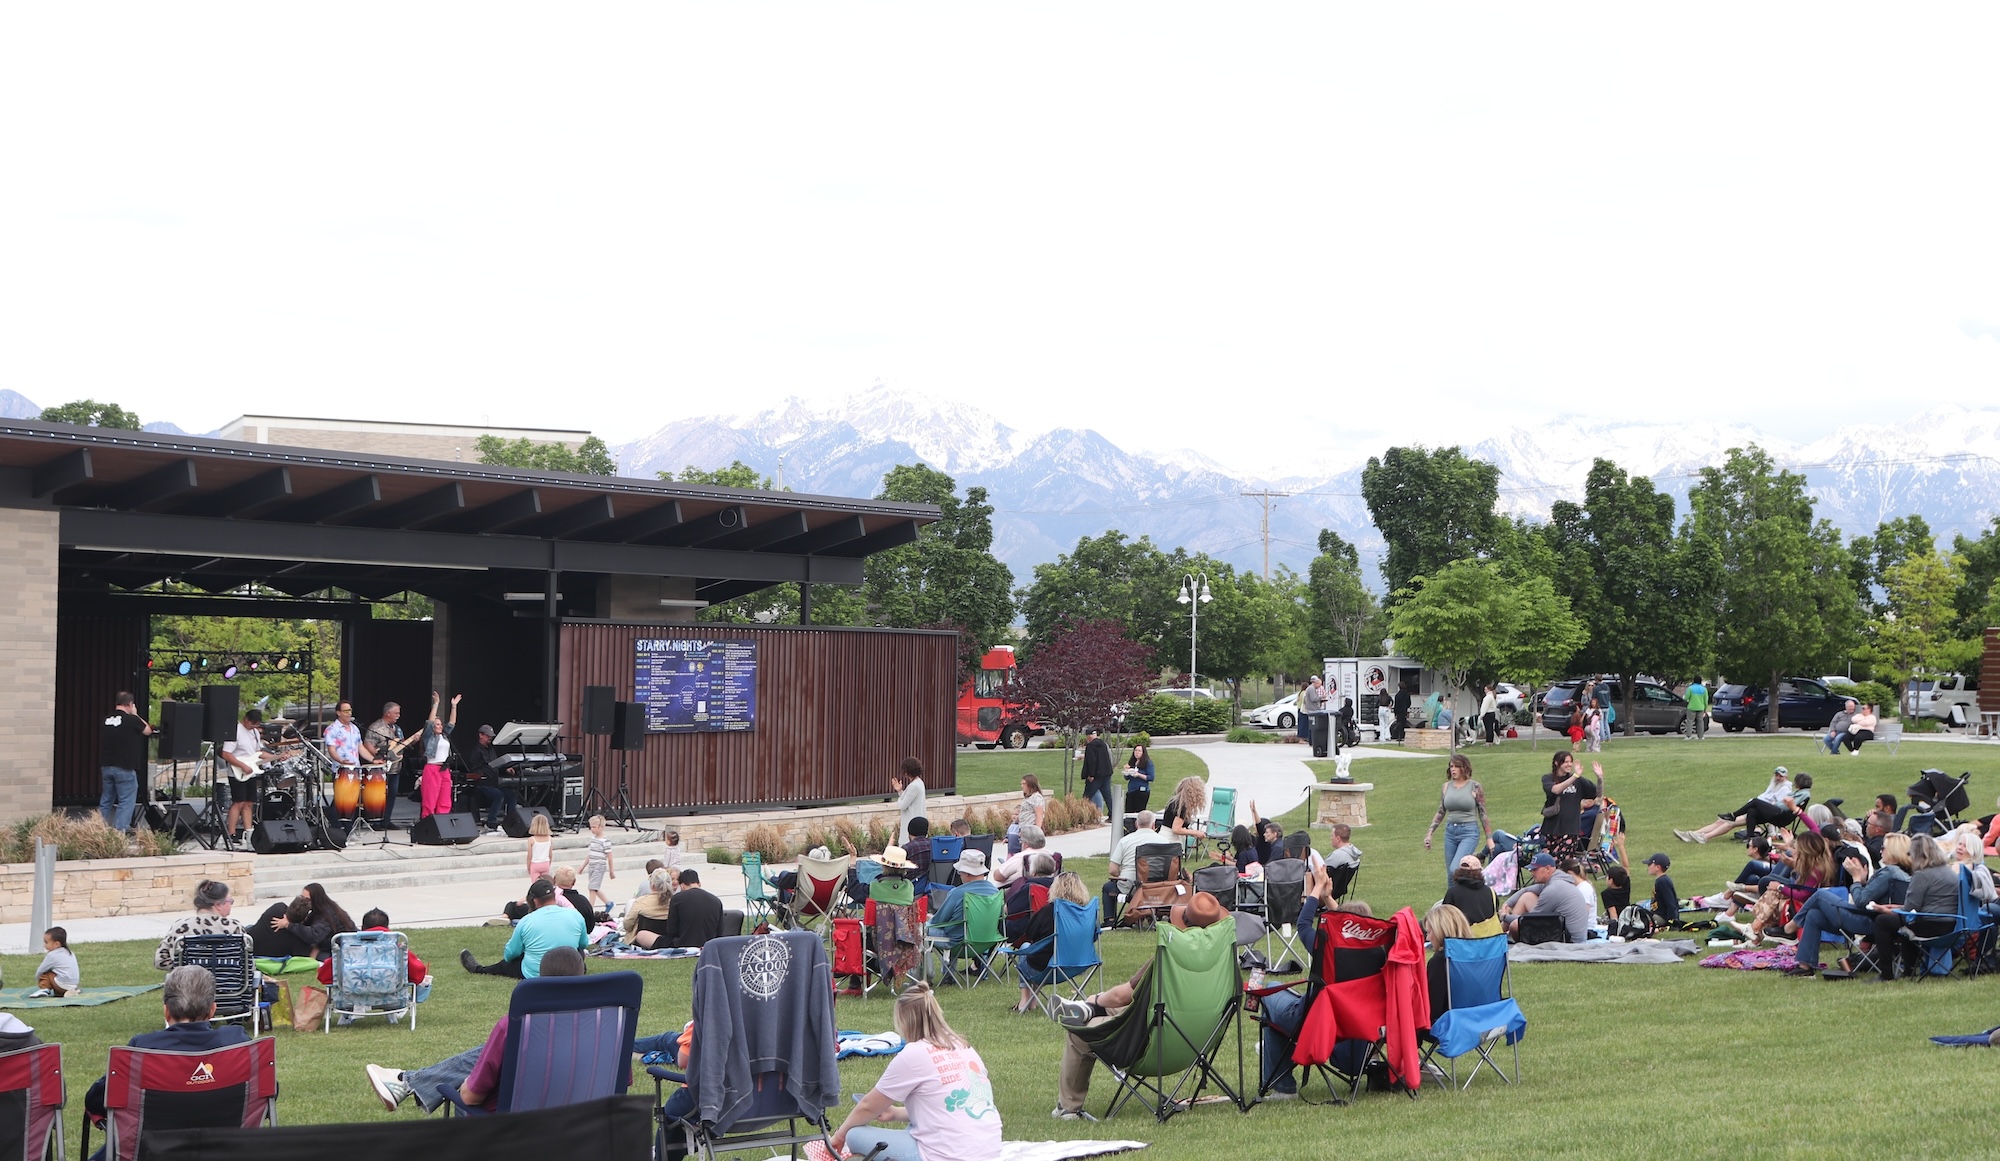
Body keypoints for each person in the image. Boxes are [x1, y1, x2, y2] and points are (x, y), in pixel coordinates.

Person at [1050, 892, 1230, 1117]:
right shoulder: (1225, 963)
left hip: (1148, 1044)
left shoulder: (1169, 957)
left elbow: (1122, 996)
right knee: (1120, 1008)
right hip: (1196, 1041)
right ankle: (1087, 1008)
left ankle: (1068, 1108)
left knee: (1081, 1033)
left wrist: (1094, 999)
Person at [366, 946, 587, 1115]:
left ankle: (406, 1081)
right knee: (497, 1051)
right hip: (585, 1124)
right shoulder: (610, 1029)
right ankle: (406, 1080)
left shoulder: (515, 1027)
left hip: (516, 1128)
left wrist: (465, 1086)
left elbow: (471, 1097)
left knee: (491, 1061)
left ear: (540, 980)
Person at [831, 981, 1001, 1161]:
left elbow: (867, 1106)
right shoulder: (963, 1046)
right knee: (914, 1126)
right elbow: (952, 1108)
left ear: (904, 1021)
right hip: (988, 1148)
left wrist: (839, 1136)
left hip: (947, 1154)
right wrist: (896, 1113)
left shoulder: (914, 1054)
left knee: (854, 1135)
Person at [86, 967, 250, 1142]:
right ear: (212, 1010)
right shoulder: (238, 1043)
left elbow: (97, 1100)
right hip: (229, 1150)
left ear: (166, 1011)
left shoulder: (143, 1048)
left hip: (153, 1150)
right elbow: (266, 1093)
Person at [1788, 833, 1911, 976]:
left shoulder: (1888, 872)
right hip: (1885, 921)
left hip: (1869, 922)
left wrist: (1856, 879)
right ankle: (1805, 966)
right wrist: (1864, 881)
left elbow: (1861, 902)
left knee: (1821, 895)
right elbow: (1873, 896)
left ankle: (1792, 925)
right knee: (1814, 915)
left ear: (1894, 852)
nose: (1880, 850)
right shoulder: (1905, 874)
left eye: (1884, 848)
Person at [1869, 834, 1959, 981]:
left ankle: (1886, 974)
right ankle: (1909, 969)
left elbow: (1910, 909)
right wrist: (1895, 907)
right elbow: (1920, 906)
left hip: (1932, 925)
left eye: (1910, 853)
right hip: (1952, 925)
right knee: (1905, 923)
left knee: (1883, 922)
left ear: (1918, 855)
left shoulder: (1922, 875)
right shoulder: (1948, 872)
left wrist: (1885, 910)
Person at [318, 908, 431, 1021]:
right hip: (393, 1000)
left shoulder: (346, 952)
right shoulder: (398, 951)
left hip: (348, 1000)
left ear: (362, 928)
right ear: (387, 928)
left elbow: (324, 976)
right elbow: (418, 975)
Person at [461, 877, 588, 978]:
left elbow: (510, 955)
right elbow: (583, 944)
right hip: (571, 971)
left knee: (509, 962)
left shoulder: (526, 921)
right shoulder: (575, 915)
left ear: (535, 901)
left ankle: (479, 969)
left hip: (536, 974)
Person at [1013, 871, 1088, 1014]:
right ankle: (1032, 1001)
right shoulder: (1087, 912)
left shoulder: (1050, 911)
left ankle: (1025, 1001)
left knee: (1026, 948)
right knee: (1036, 954)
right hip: (1078, 964)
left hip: (1050, 968)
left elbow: (1030, 933)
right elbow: (1093, 937)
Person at [1675, 766, 1800, 843]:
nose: (1778, 777)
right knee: (1721, 821)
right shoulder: (1773, 784)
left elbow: (1775, 806)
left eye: (1781, 776)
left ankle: (1704, 837)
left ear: (1786, 777)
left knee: (1729, 822)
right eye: (1777, 775)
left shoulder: (1785, 789)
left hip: (1762, 813)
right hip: (1755, 809)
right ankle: (1693, 834)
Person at [1424, 753, 1492, 881]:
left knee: (1455, 869)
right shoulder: (1446, 787)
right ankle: (1453, 900)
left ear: (1464, 768)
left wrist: (1489, 838)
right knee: (1450, 876)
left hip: (1469, 831)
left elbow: (1483, 813)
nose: (1453, 769)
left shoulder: (1474, 786)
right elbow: (1441, 811)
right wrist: (1429, 833)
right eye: (1451, 766)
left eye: (1456, 766)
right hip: (1450, 832)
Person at [1500, 853, 1592, 943]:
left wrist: (1505, 917)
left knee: (1515, 925)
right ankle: (1499, 933)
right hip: (1564, 930)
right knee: (1527, 896)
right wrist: (1507, 904)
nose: (1532, 873)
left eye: (1534, 869)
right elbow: (1526, 890)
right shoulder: (1557, 881)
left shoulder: (1553, 889)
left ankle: (1498, 935)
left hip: (1569, 941)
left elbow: (1527, 920)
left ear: (1547, 869)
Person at [153, 879, 241, 970]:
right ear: (218, 905)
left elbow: (160, 961)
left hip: (190, 983)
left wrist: (183, 968)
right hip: (228, 982)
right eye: (230, 901)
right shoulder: (234, 927)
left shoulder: (180, 926)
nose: (231, 904)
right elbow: (247, 963)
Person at [220, 707, 277, 843]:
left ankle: (249, 832)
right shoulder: (236, 731)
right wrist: (242, 765)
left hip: (251, 770)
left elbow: (258, 753)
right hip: (237, 771)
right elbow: (226, 753)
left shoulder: (255, 733)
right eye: (252, 723)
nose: (254, 726)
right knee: (238, 802)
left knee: (249, 803)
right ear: (246, 720)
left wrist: (277, 756)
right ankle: (231, 833)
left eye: (256, 724)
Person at [99, 690, 151, 834]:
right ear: (130, 704)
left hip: (106, 766)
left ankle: (97, 828)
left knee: (106, 799)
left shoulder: (106, 720)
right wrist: (135, 714)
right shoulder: (131, 720)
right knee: (126, 800)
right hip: (124, 767)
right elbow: (147, 730)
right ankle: (120, 831)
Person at [928, 850, 998, 948]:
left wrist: (928, 920)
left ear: (967, 873)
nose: (959, 874)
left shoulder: (957, 893)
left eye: (960, 872)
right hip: (987, 942)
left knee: (920, 929)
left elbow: (938, 922)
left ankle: (928, 963)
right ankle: (981, 963)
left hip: (958, 943)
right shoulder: (995, 892)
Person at [459, 724, 518, 832]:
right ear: (481, 735)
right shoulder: (476, 751)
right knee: (498, 795)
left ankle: (511, 821)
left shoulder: (491, 749)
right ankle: (491, 822)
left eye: (491, 736)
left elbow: (496, 765)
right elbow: (474, 769)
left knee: (512, 796)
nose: (490, 738)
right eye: (487, 736)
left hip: (495, 781)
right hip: (483, 783)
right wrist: (483, 774)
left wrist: (505, 770)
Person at [1101, 810, 1158, 920]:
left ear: (1136, 824)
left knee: (1108, 887)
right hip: (1156, 888)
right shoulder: (1164, 841)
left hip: (1130, 887)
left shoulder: (1125, 841)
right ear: (1153, 825)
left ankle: (1110, 919)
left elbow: (1112, 870)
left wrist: (1122, 875)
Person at [360, 701, 407, 829]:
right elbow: (367, 743)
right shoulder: (376, 727)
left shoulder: (397, 728)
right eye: (396, 713)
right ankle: (376, 821)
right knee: (378, 795)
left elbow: (400, 745)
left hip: (395, 767)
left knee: (392, 794)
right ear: (388, 713)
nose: (398, 715)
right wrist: (377, 754)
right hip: (380, 768)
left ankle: (386, 820)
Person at [415, 692, 460, 820]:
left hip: (444, 769)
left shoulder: (444, 735)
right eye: (437, 724)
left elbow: (452, 722)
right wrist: (436, 704)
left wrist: (454, 706)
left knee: (445, 799)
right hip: (432, 768)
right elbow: (429, 722)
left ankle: (442, 822)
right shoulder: (429, 736)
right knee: (430, 799)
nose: (439, 726)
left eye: (440, 724)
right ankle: (427, 822)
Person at [1423, 904, 1474, 1015]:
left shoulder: (1441, 961)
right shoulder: (1480, 954)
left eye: (1429, 932)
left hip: (1452, 1024)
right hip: (1486, 1018)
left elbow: (1432, 1010)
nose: (1427, 938)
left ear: (1439, 931)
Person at [1539, 752, 1589, 860]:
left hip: (1570, 830)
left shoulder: (1577, 780)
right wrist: (1575, 776)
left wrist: (1600, 778)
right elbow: (1556, 790)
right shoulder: (1547, 778)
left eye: (1571, 762)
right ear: (1557, 763)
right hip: (1551, 828)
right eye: (1566, 762)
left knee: (1563, 863)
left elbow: (1597, 794)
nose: (1569, 764)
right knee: (1549, 862)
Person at [660, 869, 725, 950]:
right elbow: (720, 931)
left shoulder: (677, 899)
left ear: (682, 885)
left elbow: (671, 931)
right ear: (699, 883)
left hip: (682, 944)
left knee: (644, 935)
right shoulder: (716, 901)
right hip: (709, 945)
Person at [1444, 855, 1501, 936]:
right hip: (1491, 941)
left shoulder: (1453, 892)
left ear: (1459, 872)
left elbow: (1444, 920)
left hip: (1464, 940)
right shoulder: (1490, 891)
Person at [624, 868, 679, 947]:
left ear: (652, 886)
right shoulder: (675, 902)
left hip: (642, 940)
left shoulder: (641, 902)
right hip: (668, 938)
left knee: (630, 902)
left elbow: (627, 925)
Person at [249, 897, 317, 960]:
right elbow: (303, 959)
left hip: (252, 949)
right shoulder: (299, 938)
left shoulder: (277, 908)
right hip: (269, 959)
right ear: (304, 918)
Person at [1162, 776, 1208, 850]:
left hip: (1166, 836)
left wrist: (1191, 833)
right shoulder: (1182, 806)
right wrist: (1195, 832)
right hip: (1171, 839)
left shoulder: (1176, 802)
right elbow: (1176, 829)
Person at [891, 758, 928, 846]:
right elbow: (907, 799)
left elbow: (903, 805)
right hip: (915, 820)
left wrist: (899, 800)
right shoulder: (918, 783)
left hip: (912, 822)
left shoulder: (914, 786)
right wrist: (900, 791)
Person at [1009, 776, 1048, 858]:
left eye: (1024, 784)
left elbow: (1039, 815)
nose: (1022, 786)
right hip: (1024, 831)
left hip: (1031, 832)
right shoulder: (1028, 798)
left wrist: (1037, 831)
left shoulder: (1036, 798)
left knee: (1030, 854)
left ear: (1030, 785)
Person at [1079, 728, 1113, 821]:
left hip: (1096, 776)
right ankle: (1113, 814)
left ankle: (1082, 816)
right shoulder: (1103, 744)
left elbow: (1092, 761)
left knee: (1087, 796)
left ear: (1089, 736)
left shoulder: (1090, 746)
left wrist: (1091, 775)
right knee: (1107, 795)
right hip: (1106, 774)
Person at [34, 927, 79, 997]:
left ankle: (44, 989)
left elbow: (41, 970)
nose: (44, 945)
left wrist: (37, 978)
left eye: (46, 942)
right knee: (57, 973)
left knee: (45, 973)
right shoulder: (70, 953)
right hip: (73, 985)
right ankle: (67, 992)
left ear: (57, 944)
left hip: (62, 985)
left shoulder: (52, 955)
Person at [584, 814, 616, 908]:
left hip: (599, 865)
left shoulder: (605, 841)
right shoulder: (593, 839)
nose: (592, 829)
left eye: (594, 827)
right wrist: (583, 866)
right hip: (592, 865)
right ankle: (608, 903)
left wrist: (611, 871)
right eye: (591, 827)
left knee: (592, 888)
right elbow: (590, 854)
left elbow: (610, 856)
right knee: (594, 887)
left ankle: (590, 907)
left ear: (601, 827)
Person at [1639, 853, 1679, 925]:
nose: (1648, 867)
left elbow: (1671, 903)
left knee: (1638, 920)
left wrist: (1672, 921)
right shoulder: (1660, 880)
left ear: (1658, 867)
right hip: (1657, 914)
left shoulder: (1662, 882)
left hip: (1661, 917)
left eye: (1649, 865)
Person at [1122, 743, 1154, 819]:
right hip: (1131, 790)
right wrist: (1126, 771)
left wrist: (1138, 775)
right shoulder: (1132, 762)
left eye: (1139, 751)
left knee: (1140, 814)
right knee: (1129, 813)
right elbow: (1127, 778)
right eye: (1135, 750)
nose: (1137, 752)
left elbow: (1151, 777)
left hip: (1142, 791)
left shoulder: (1148, 763)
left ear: (1143, 752)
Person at [904, 817, 934, 885]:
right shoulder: (935, 846)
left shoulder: (906, 848)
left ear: (909, 832)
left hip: (911, 888)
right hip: (933, 887)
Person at [525, 811, 554, 880]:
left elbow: (529, 856)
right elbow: (550, 854)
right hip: (545, 863)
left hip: (535, 864)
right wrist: (549, 864)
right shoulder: (549, 839)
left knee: (536, 884)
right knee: (546, 882)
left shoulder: (531, 840)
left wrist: (528, 867)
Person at [1298, 676, 1327, 743]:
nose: (1320, 686)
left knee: (1311, 726)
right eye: (1319, 684)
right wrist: (1321, 698)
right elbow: (1313, 699)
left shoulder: (1311, 688)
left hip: (1312, 709)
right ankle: (1312, 740)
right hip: (1312, 710)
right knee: (1312, 727)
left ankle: (1310, 739)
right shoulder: (1311, 689)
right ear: (1316, 683)